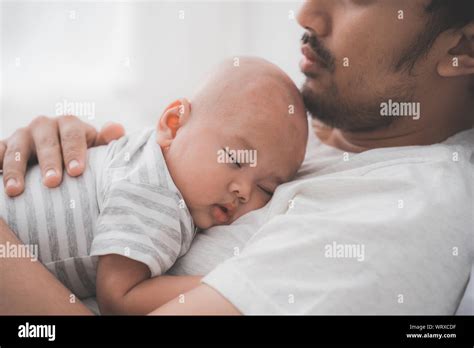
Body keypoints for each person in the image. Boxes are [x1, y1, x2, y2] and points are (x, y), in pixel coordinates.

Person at [0, 0, 473, 315]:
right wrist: (69, 160)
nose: (305, 12)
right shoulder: (299, 130)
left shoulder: (399, 212)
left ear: (463, 47)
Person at [0, 58, 307, 314]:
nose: (244, 191)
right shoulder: (159, 196)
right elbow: (119, 297)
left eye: (266, 188)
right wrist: (229, 282)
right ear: (173, 124)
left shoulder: (146, 153)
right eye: (235, 160)